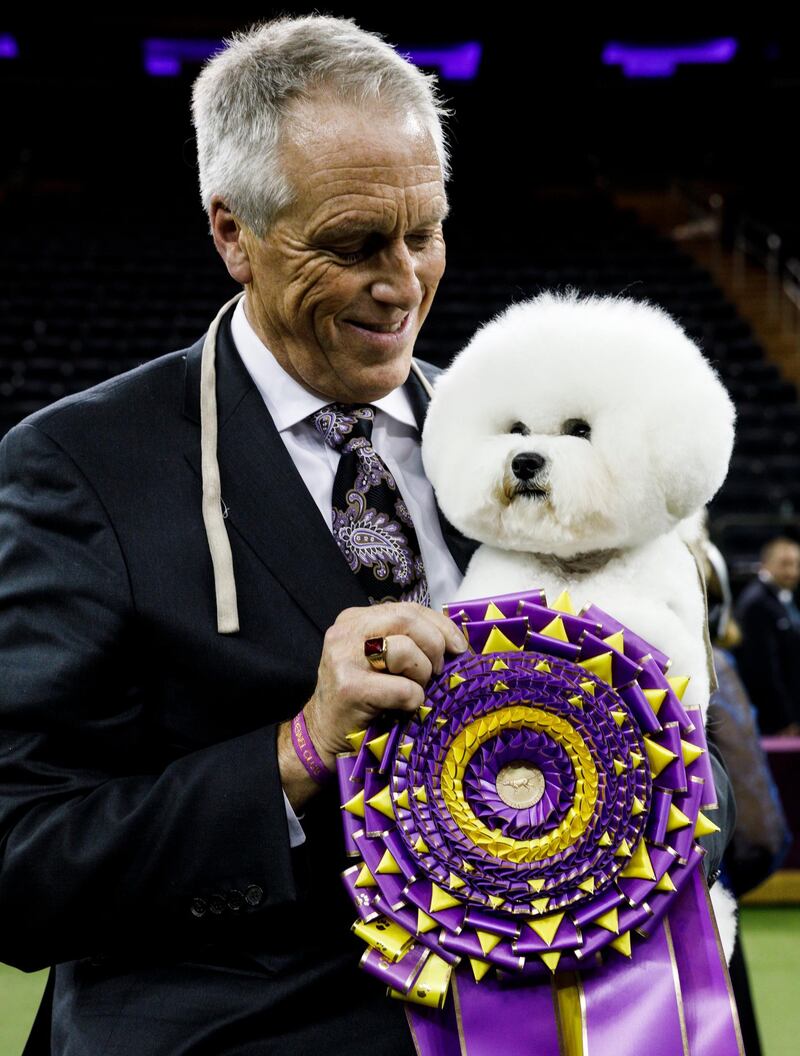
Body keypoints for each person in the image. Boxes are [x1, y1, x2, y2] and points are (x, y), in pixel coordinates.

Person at [0, 15, 735, 1056]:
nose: (401, 284)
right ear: (230, 234)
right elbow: (20, 863)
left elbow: (697, 799)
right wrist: (295, 754)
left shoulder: (518, 439)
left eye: (423, 231)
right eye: (350, 246)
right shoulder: (78, 468)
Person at [735, 535, 800, 736]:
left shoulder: (784, 598)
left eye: (797, 565)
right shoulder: (757, 603)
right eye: (785, 564)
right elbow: (763, 670)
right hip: (773, 723)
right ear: (766, 564)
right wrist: (784, 720)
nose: (792, 571)